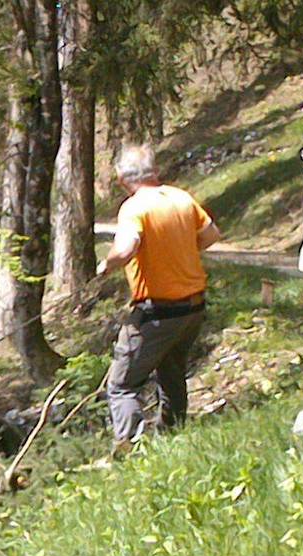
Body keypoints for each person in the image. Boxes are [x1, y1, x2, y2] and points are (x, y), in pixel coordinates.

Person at [98, 144, 222, 454]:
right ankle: (173, 435)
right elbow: (210, 236)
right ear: (155, 172)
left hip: (157, 312)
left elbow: (126, 249)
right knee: (171, 370)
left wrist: (106, 264)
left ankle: (131, 449)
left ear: (122, 179)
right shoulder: (181, 198)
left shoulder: (134, 207)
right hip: (193, 308)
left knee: (122, 385)